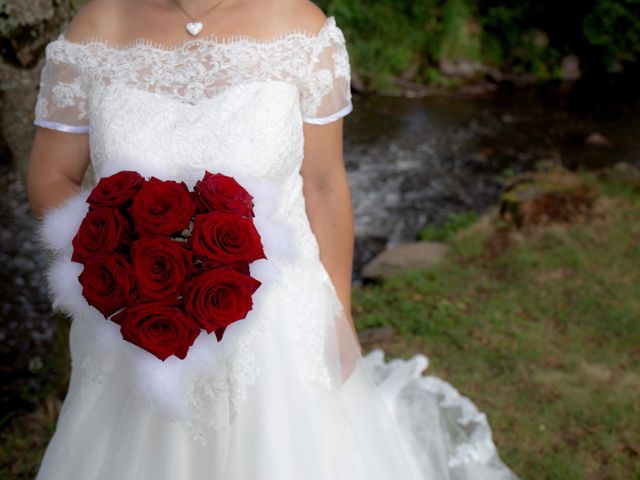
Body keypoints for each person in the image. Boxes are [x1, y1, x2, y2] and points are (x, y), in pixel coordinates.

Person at [27, 0, 520, 478]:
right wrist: (124, 253)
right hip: (137, 320)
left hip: (278, 323)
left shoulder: (300, 29)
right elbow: (50, 177)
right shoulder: (98, 24)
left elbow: (324, 186)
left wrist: (341, 314)